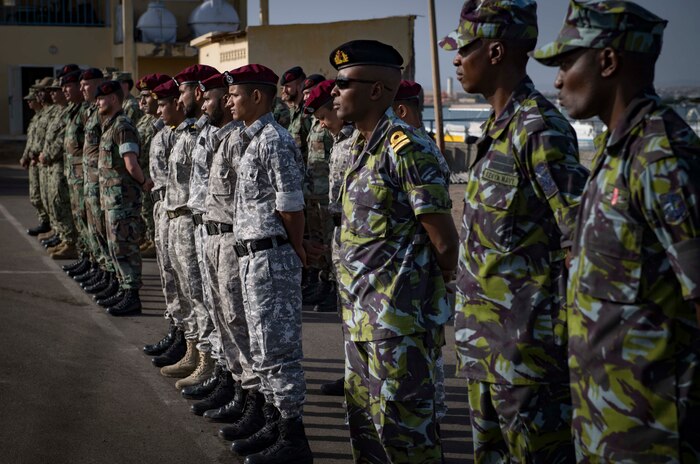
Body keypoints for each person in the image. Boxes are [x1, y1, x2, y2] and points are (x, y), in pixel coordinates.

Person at [532, 1, 700, 461]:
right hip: (604, 417)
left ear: (607, 61)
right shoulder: (616, 149)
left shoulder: (661, 156)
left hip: (654, 430)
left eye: (567, 62)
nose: (558, 80)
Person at [441, 1, 590, 462]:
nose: (456, 59)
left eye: (465, 49)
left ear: (497, 51)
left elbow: (579, 240)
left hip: (529, 357)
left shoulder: (539, 129)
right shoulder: (496, 128)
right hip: (486, 351)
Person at [330, 39, 458, 463]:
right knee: (366, 433)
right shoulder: (354, 148)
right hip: (359, 319)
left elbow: (443, 241)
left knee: (406, 438)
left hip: (399, 325)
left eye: (343, 82)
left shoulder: (407, 149)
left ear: (378, 91)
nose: (333, 90)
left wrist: (424, 301)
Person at [217, 63, 312, 464]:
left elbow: (290, 205)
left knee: (278, 350)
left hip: (271, 255)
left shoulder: (274, 139)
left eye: (235, 94)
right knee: (261, 348)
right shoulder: (249, 139)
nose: (229, 101)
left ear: (258, 97)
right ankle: (274, 425)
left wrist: (297, 248)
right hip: (254, 256)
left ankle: (293, 439)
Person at [161, 64, 219, 380]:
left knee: (201, 295)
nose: (178, 97)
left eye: (182, 90)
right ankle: (192, 352)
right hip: (178, 220)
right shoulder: (186, 132)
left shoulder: (204, 134)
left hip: (193, 221)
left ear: (197, 91)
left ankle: (207, 363)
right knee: (186, 292)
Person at [303, 79, 357, 396]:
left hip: (354, 241)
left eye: (325, 114)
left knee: (355, 316)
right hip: (339, 237)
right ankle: (352, 374)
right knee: (345, 314)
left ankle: (359, 377)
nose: (322, 122)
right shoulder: (339, 142)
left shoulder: (355, 144)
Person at [144, 78, 191, 367]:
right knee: (169, 278)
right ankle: (177, 331)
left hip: (181, 213)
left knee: (187, 286)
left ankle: (189, 343)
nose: (158, 110)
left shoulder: (184, 134)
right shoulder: (167, 132)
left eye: (163, 104)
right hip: (164, 207)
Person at [94, 80, 151, 316]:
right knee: (115, 246)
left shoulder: (123, 125)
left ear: (114, 99)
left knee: (124, 246)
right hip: (111, 199)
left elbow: (131, 163)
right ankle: (122, 288)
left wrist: (143, 182)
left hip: (123, 199)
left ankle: (132, 295)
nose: (97, 103)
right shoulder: (110, 125)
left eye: (101, 98)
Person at [40, 78, 78, 260]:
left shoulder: (70, 112)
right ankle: (64, 237)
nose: (54, 93)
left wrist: (47, 155)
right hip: (56, 166)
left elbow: (63, 140)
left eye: (57, 90)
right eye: (53, 90)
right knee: (56, 202)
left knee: (62, 203)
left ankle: (70, 241)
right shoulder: (61, 112)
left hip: (63, 166)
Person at [60, 69, 93, 275]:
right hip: (75, 175)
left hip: (84, 177)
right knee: (80, 220)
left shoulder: (86, 111)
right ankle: (85, 258)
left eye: (68, 86)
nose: (65, 90)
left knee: (88, 221)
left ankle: (92, 262)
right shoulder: (75, 110)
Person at [134, 74, 169, 258]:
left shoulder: (168, 125)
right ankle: (150, 238)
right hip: (147, 180)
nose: (142, 101)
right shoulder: (147, 121)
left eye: (146, 96)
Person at [20, 87, 50, 236]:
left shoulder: (49, 114)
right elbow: (31, 141)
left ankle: (49, 225)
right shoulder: (37, 117)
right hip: (36, 160)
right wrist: (26, 156)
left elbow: (46, 141)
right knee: (38, 196)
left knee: (47, 197)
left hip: (43, 160)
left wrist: (39, 155)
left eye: (32, 99)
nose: (30, 102)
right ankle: (46, 223)